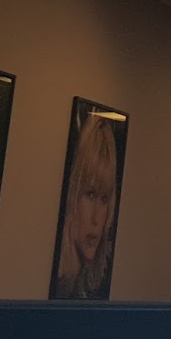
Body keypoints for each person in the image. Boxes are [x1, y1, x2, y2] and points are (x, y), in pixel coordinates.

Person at [52, 112, 121, 299]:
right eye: (90, 195)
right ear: (72, 194)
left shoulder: (88, 287)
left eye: (104, 199)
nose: (96, 218)